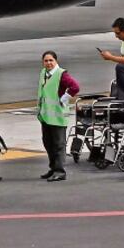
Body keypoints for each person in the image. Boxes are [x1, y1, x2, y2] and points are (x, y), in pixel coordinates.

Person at [37, 51, 79, 182]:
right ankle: (53, 168)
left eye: (51, 60)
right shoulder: (43, 73)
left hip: (58, 116)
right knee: (48, 143)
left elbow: (75, 87)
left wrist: (64, 98)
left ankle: (60, 171)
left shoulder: (61, 74)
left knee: (58, 145)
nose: (48, 63)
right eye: (46, 61)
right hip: (46, 116)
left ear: (56, 61)